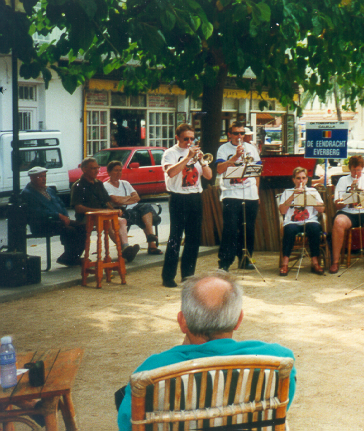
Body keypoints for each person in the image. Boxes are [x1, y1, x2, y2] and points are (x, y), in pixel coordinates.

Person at [115, 271, 297, 430]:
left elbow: (129, 425)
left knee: (121, 396)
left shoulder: (151, 372)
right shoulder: (278, 360)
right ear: (238, 320)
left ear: (182, 321)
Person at [161, 123, 212, 288]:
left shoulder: (197, 154)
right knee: (175, 237)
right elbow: (171, 172)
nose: (189, 141)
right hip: (178, 198)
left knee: (193, 238)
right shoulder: (170, 153)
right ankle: (168, 277)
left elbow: (209, 176)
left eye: (192, 138)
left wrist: (203, 162)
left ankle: (188, 276)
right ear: (177, 138)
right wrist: (188, 157)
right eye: (186, 139)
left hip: (195, 197)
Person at [70, 157, 136, 262]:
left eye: (98, 168)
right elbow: (79, 208)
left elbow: (106, 202)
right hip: (87, 217)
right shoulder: (78, 185)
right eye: (93, 168)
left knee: (122, 220)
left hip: (103, 215)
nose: (97, 171)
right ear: (84, 169)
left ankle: (125, 247)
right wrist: (101, 212)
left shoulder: (98, 183)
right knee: (108, 222)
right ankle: (123, 249)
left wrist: (113, 211)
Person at [215, 123, 261, 271]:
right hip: (231, 193)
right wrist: (236, 156)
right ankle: (225, 262)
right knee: (230, 229)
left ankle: (245, 259)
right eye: (236, 133)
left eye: (242, 133)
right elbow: (220, 169)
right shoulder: (223, 149)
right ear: (229, 134)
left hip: (250, 193)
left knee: (248, 229)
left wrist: (257, 192)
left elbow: (257, 171)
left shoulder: (251, 148)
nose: (239, 136)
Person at [21, 167, 87, 266]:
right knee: (70, 230)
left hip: (59, 220)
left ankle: (70, 257)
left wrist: (65, 216)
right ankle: (70, 258)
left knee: (84, 227)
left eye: (44, 176)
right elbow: (38, 212)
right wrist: (58, 215)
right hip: (42, 224)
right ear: (32, 178)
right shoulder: (27, 193)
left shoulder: (49, 190)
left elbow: (60, 204)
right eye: (40, 177)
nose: (43, 179)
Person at [330, 155, 364, 273]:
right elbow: (337, 205)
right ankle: (335, 261)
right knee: (338, 222)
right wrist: (349, 194)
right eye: (353, 170)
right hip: (348, 212)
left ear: (362, 168)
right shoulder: (343, 180)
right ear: (349, 169)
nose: (355, 173)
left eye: (358, 170)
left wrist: (363, 194)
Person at [104, 160, 162, 256]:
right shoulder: (106, 185)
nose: (118, 173)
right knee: (143, 214)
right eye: (115, 170)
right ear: (109, 172)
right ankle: (151, 244)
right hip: (122, 211)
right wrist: (129, 198)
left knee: (146, 206)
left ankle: (151, 237)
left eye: (120, 170)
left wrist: (124, 199)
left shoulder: (125, 183)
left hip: (135, 208)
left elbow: (137, 198)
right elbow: (116, 201)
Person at [278, 167, 326, 276]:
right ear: (293, 180)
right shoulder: (287, 192)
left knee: (314, 229)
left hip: (310, 221)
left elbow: (322, 209)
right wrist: (292, 196)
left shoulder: (313, 191)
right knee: (289, 231)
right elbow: (282, 210)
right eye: (298, 178)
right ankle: (285, 263)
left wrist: (310, 198)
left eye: (303, 178)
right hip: (292, 222)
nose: (301, 181)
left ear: (307, 179)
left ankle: (315, 262)